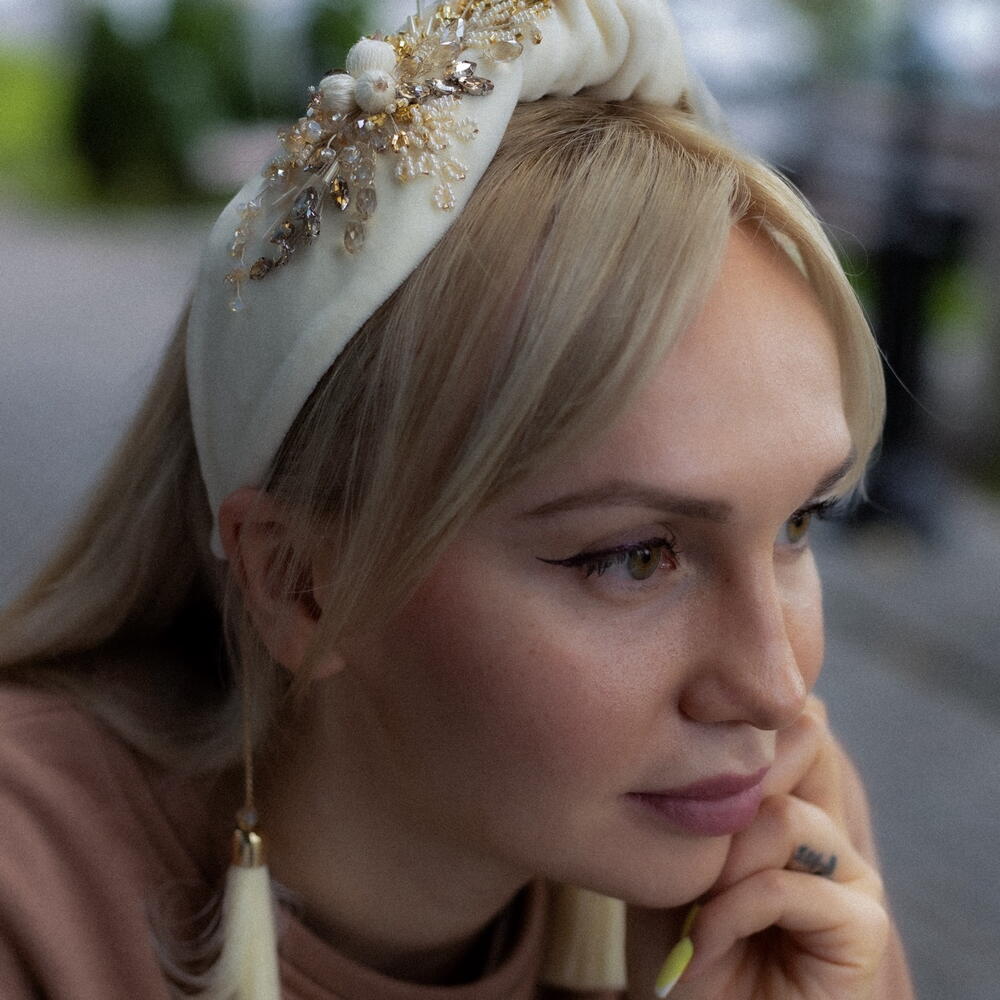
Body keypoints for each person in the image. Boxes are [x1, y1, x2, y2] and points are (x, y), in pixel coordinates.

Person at [0, 1, 914, 997]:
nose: (776, 688)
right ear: (302, 584)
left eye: (798, 523)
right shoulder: (32, 898)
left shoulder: (790, 889)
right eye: (635, 556)